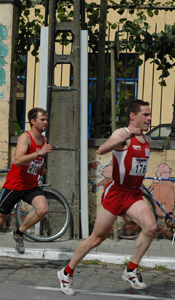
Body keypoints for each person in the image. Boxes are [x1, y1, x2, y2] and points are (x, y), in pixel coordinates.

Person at [57, 100, 155, 296]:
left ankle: (131, 270)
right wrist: (128, 135)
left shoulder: (147, 140)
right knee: (97, 239)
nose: (149, 118)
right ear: (133, 116)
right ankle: (66, 273)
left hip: (133, 194)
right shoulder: (122, 134)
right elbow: (102, 150)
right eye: (146, 115)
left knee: (151, 227)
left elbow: (135, 166)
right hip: (116, 193)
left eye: (150, 115)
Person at [0, 108, 52, 265]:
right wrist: (38, 153)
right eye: (42, 119)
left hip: (31, 185)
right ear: (33, 121)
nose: (45, 122)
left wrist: (42, 168)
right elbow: (17, 160)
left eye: (46, 119)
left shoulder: (43, 140)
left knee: (43, 209)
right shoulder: (25, 138)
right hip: (15, 185)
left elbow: (36, 162)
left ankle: (19, 232)